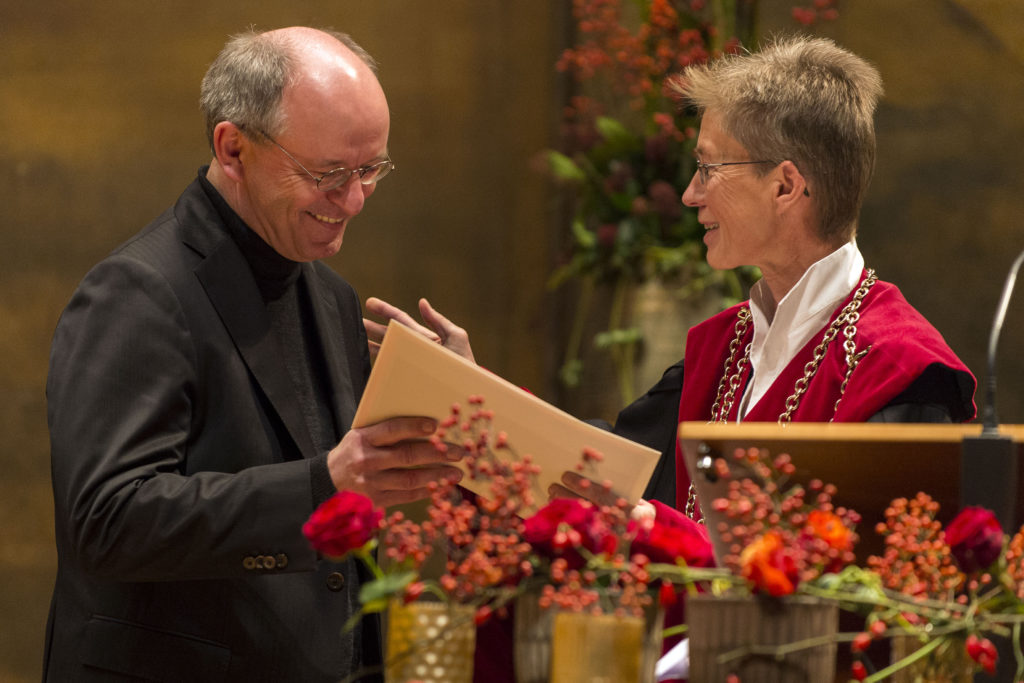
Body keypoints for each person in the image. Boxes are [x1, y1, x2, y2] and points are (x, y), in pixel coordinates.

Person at [43, 27, 464, 682]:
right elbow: (106, 520)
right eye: (327, 174)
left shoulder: (329, 294)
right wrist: (325, 483)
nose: (353, 200)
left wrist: (455, 399)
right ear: (233, 147)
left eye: (370, 170)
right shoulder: (138, 291)